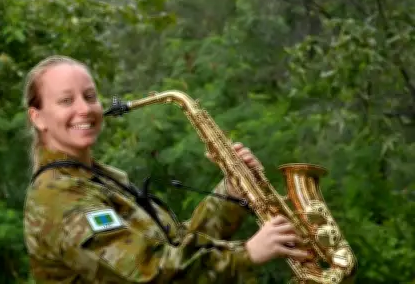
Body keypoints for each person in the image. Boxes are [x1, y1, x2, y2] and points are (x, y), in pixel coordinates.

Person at [22, 55, 310, 283]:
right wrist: (247, 254)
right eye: (66, 101)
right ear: (38, 118)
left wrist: (232, 193)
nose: (84, 109)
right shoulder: (59, 194)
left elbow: (174, 246)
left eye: (89, 96)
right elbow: (146, 272)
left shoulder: (99, 178)